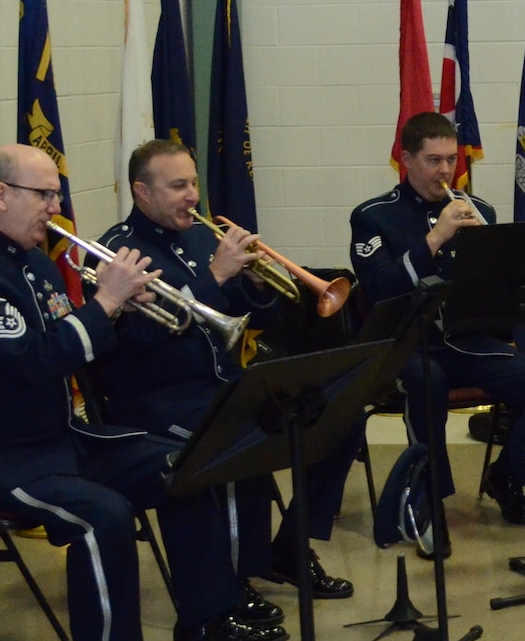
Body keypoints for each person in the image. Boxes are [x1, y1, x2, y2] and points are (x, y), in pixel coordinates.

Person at [0, 145, 286, 641]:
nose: (55, 206)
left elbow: (78, 349)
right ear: (0, 196)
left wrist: (118, 309)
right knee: (104, 514)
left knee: (181, 465)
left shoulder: (36, 260)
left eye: (56, 193)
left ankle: (205, 617)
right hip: (0, 458)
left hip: (58, 439)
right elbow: (35, 363)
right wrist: (105, 303)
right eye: (43, 194)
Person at [97, 139, 357, 602]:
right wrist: (215, 277)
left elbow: (250, 319)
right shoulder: (117, 253)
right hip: (155, 397)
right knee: (235, 437)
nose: (193, 195)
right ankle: (235, 581)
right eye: (178, 186)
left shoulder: (201, 236)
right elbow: (139, 341)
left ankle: (291, 546)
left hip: (221, 382)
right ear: (142, 192)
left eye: (193, 182)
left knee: (338, 417)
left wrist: (255, 285)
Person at [350, 112, 525, 544]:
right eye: (432, 160)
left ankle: (506, 475)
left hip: (466, 339)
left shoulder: (477, 209)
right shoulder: (373, 217)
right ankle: (427, 496)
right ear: (406, 160)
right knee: (428, 383)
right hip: (406, 343)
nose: (444, 171)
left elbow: (496, 292)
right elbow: (378, 289)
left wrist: (503, 260)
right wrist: (434, 239)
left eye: (450, 160)